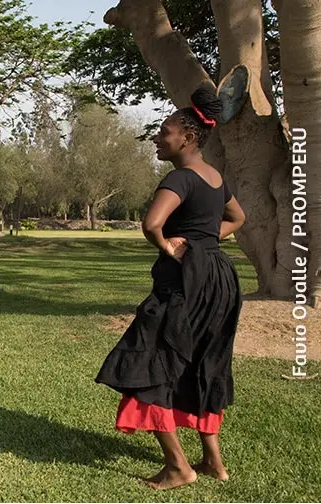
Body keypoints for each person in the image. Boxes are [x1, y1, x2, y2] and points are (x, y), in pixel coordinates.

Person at [95, 88, 246, 490]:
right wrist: (206, 241)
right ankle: (214, 462)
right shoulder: (214, 178)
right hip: (219, 281)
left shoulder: (180, 177)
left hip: (185, 282)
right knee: (202, 362)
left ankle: (179, 467)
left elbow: (150, 223)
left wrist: (169, 245)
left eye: (165, 131)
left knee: (147, 362)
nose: (159, 138)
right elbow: (238, 217)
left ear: (188, 137)